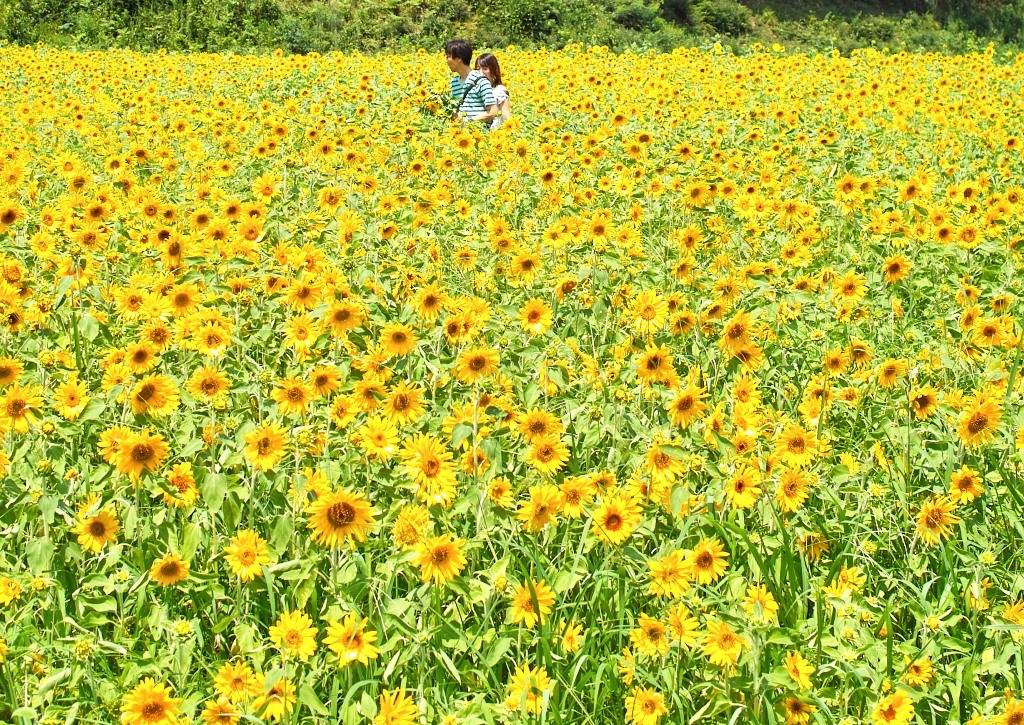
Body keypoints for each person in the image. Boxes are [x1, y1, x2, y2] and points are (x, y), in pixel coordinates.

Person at [444, 39, 499, 127]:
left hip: (477, 135)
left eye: (448, 56)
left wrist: (469, 121)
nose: (446, 61)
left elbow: (493, 111)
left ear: (459, 58)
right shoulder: (453, 82)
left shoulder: (481, 81)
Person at [475, 53, 511, 131]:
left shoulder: (499, 91)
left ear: (493, 70)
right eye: (478, 69)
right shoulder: (475, 89)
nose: (480, 72)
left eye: (485, 69)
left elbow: (507, 117)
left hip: (494, 134)